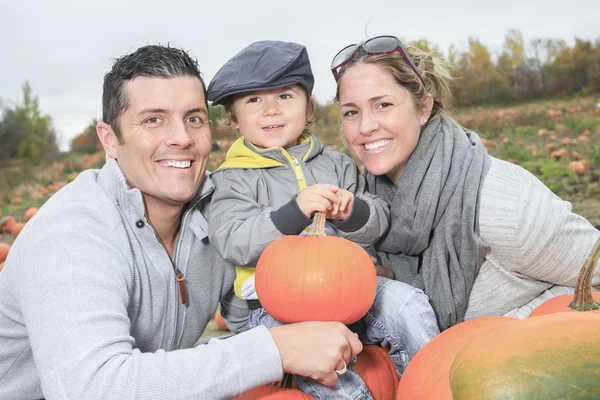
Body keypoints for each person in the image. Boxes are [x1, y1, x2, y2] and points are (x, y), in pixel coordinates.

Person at [0, 44, 365, 400]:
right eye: (153, 120)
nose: (181, 139)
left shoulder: (220, 214)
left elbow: (251, 319)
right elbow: (91, 388)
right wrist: (276, 349)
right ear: (110, 139)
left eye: (194, 119)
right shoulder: (73, 233)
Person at [206, 40, 439, 399]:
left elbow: (378, 221)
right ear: (234, 119)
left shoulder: (337, 165)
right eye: (254, 101)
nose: (271, 110)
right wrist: (292, 212)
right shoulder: (232, 178)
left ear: (308, 107)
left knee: (407, 304)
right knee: (321, 360)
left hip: (348, 289)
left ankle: (430, 387)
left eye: (285, 96)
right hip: (275, 307)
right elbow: (234, 241)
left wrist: (352, 212)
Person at [330, 35, 600, 332]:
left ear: (423, 108)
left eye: (383, 105)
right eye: (351, 112)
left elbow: (595, 281)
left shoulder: (505, 205)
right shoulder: (363, 207)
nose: (366, 126)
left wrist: (502, 335)